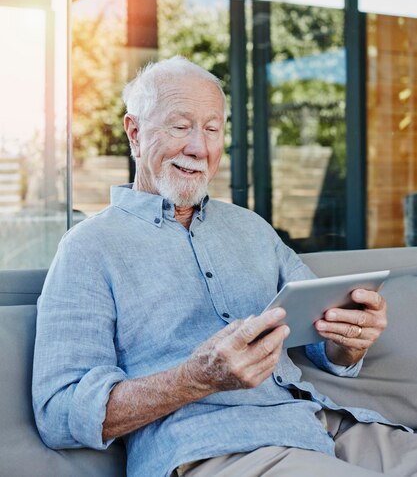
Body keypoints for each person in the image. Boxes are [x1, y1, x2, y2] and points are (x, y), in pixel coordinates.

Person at [33, 56, 417, 477]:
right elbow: (59, 410)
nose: (199, 147)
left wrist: (350, 339)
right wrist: (194, 379)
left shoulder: (250, 228)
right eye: (180, 126)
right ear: (135, 133)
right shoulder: (88, 247)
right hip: (214, 448)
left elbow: (322, 342)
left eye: (213, 129)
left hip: (320, 425)